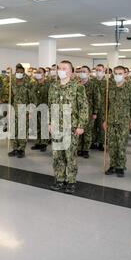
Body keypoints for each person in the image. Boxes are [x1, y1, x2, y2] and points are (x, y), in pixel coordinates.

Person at [48, 60, 88, 194]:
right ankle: (59, 179)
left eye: (64, 68)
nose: (60, 70)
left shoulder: (78, 86)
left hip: (71, 127)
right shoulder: (53, 86)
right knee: (57, 155)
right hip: (56, 127)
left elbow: (83, 107)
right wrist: (49, 122)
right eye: (59, 68)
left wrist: (81, 125)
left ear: (71, 71)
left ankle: (71, 181)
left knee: (70, 155)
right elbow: (50, 106)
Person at [104, 66, 131, 177]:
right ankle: (112, 165)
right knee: (111, 144)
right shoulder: (110, 88)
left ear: (125, 74)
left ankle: (120, 166)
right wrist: (105, 119)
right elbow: (106, 106)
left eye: (120, 73)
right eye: (116, 73)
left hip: (124, 121)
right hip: (111, 121)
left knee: (121, 144)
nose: (118, 76)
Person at [6, 64, 35, 158]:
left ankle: (21, 150)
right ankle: (15, 148)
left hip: (24, 110)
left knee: (22, 130)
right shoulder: (12, 83)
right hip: (14, 110)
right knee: (13, 131)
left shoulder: (28, 84)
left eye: (21, 72)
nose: (19, 73)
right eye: (17, 72)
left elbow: (33, 99)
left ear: (24, 73)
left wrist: (30, 112)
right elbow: (10, 97)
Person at [77, 65, 101, 158]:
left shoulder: (93, 85)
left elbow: (97, 99)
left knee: (87, 132)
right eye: (81, 71)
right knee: (78, 130)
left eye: (84, 71)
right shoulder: (76, 84)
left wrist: (95, 112)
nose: (82, 73)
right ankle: (79, 148)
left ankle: (86, 149)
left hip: (89, 113)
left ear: (88, 73)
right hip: (77, 112)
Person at [31, 67, 50, 152]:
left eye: (40, 72)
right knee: (37, 125)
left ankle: (44, 143)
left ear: (44, 74)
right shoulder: (34, 84)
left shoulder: (48, 84)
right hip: (35, 108)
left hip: (44, 108)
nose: (38, 74)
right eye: (37, 72)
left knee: (44, 126)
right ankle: (38, 142)